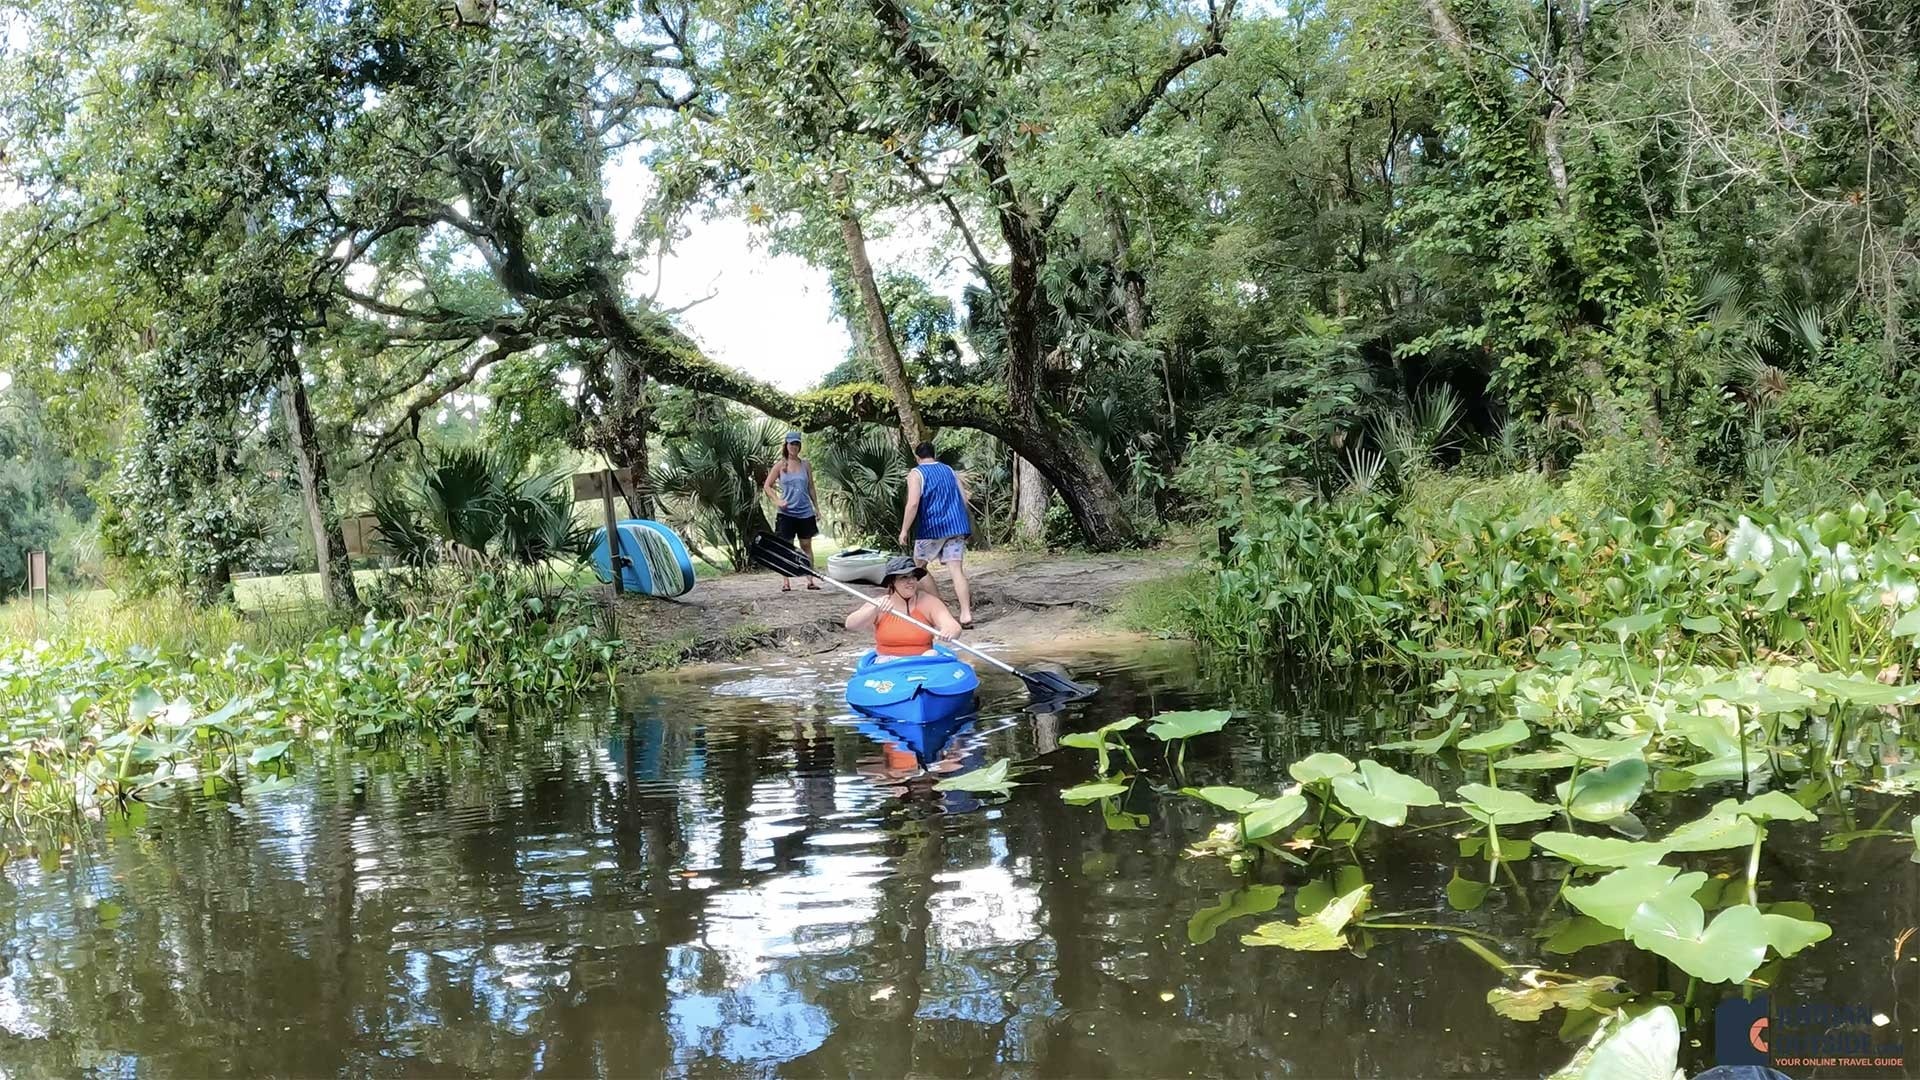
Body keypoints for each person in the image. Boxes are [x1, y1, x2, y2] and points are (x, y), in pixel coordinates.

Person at [898, 440, 974, 627]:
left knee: (919, 568)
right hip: (956, 526)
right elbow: (964, 498)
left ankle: (941, 610)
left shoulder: (916, 473)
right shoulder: (949, 470)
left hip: (932, 528)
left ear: (917, 457)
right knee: (956, 570)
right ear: (934, 454)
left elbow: (913, 503)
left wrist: (904, 529)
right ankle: (966, 615)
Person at [844, 557, 963, 656]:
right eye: (904, 577)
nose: (910, 581)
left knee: (931, 653)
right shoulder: (879, 604)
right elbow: (850, 624)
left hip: (924, 662)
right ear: (892, 582)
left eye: (913, 577)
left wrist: (949, 631)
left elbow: (953, 626)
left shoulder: (929, 602)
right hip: (889, 663)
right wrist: (874, 610)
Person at [763, 431, 820, 591]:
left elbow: (811, 487)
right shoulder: (780, 465)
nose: (794, 447)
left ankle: (810, 580)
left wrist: (817, 507)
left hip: (805, 511)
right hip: (786, 513)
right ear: (786, 445)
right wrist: (777, 500)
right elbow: (767, 486)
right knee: (786, 546)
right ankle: (786, 582)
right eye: (791, 444)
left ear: (799, 446)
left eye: (797, 444)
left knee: (806, 545)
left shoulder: (806, 465)